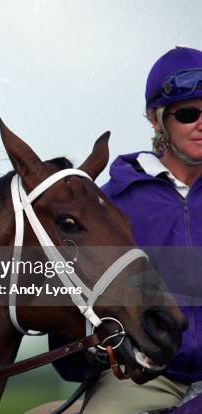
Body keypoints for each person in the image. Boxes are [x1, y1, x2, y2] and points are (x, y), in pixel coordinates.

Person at [48, 46, 202, 413]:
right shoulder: (110, 204)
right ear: (155, 119)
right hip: (148, 376)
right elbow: (70, 313)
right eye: (188, 113)